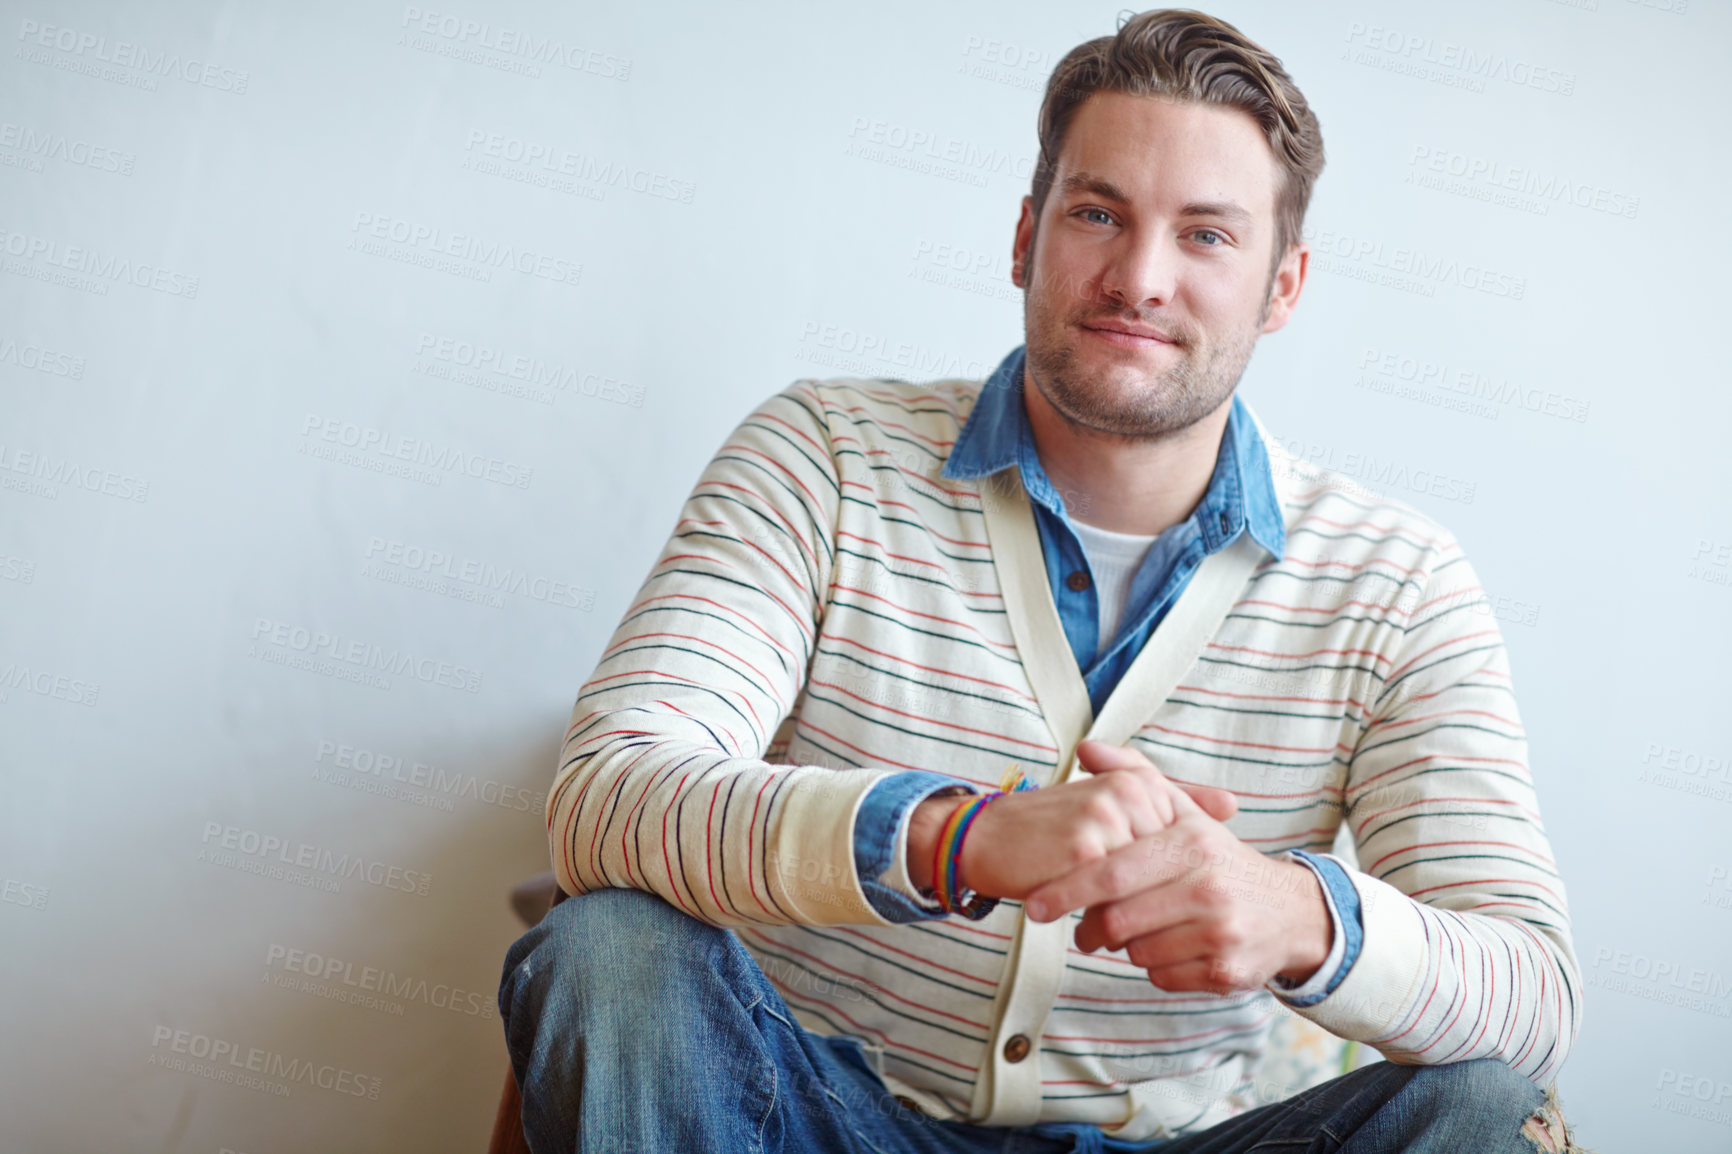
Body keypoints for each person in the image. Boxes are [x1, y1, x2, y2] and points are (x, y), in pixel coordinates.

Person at [498, 9, 1583, 1152]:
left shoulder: (1397, 580)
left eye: (1206, 236)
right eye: (1098, 212)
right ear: (1026, 236)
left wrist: (1299, 915)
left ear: (1281, 287)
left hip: (1171, 1140)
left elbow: (1532, 994)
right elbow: (607, 795)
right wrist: (954, 837)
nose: (1139, 277)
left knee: (1481, 1104)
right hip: (800, 1114)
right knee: (609, 947)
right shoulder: (822, 453)